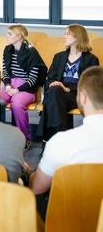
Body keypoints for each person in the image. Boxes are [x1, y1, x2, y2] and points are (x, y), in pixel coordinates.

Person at [30, 66, 103, 195]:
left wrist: (29, 175)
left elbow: (36, 188)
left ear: (82, 98)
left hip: (70, 212)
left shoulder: (60, 142)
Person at [36, 24, 99, 156]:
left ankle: (48, 141)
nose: (63, 37)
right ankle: (61, 134)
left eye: (67, 34)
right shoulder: (59, 57)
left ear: (77, 37)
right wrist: (57, 85)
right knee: (54, 92)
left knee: (51, 101)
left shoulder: (91, 59)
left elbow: (90, 83)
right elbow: (50, 77)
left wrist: (67, 89)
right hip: (57, 91)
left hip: (77, 93)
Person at [0, 24, 47, 151]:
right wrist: (8, 85)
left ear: (19, 36)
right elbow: (5, 71)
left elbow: (33, 79)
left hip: (26, 87)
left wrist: (17, 90)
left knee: (17, 104)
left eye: (10, 34)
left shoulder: (32, 52)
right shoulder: (7, 49)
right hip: (11, 84)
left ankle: (24, 138)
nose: (6, 36)